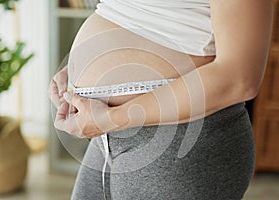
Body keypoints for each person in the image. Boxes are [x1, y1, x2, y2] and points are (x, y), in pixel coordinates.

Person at [49, 0, 273, 199]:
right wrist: (75, 72)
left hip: (180, 140)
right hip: (107, 134)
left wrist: (113, 116)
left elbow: (239, 79)